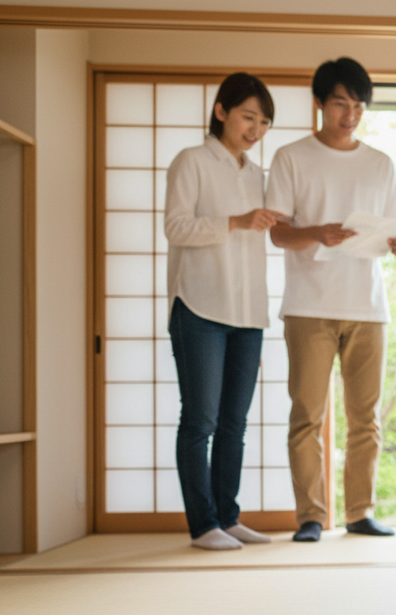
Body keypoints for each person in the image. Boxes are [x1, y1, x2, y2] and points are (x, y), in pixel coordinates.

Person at [266, 57, 396, 543]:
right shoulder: (291, 157)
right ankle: (310, 516)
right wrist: (317, 233)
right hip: (308, 304)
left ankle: (359, 513)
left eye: (358, 105)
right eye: (341, 104)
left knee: (364, 418)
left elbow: (392, 226)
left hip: (367, 306)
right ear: (321, 103)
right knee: (306, 415)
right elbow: (279, 234)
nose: (350, 114)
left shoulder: (379, 163)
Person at [164, 73, 282, 550]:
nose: (256, 128)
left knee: (236, 423)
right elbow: (175, 227)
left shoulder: (257, 173)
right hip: (199, 304)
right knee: (200, 420)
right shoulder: (190, 161)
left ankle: (228, 517)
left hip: (248, 309)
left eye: (265, 122)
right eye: (248, 117)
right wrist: (235, 222)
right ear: (221, 113)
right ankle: (202, 524)